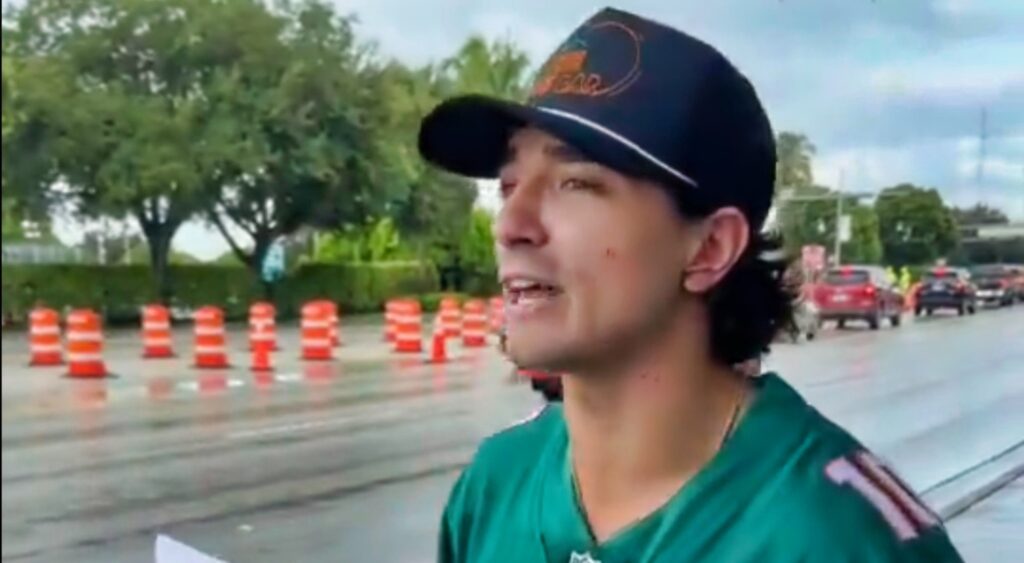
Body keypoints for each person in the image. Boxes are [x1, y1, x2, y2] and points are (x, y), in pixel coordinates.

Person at [420, 8, 962, 562]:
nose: (511, 225)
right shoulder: (494, 486)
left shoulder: (834, 537)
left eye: (575, 182)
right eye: (509, 185)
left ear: (709, 248)